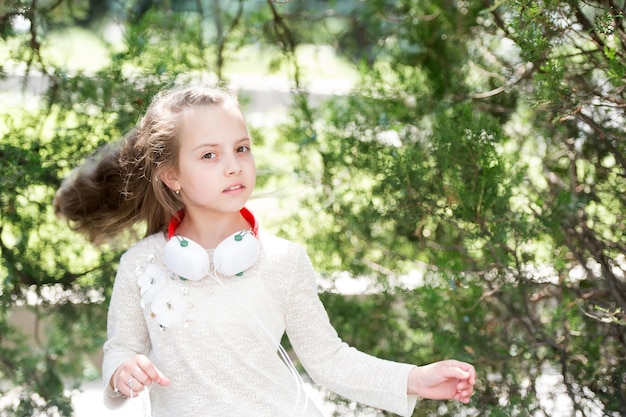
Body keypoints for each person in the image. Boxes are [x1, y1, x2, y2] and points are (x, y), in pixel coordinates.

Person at [54, 85, 476, 417]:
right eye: (209, 155)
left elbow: (328, 359)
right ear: (171, 176)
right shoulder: (142, 264)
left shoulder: (283, 261)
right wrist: (120, 373)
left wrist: (414, 379)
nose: (234, 165)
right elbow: (121, 348)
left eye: (241, 148)